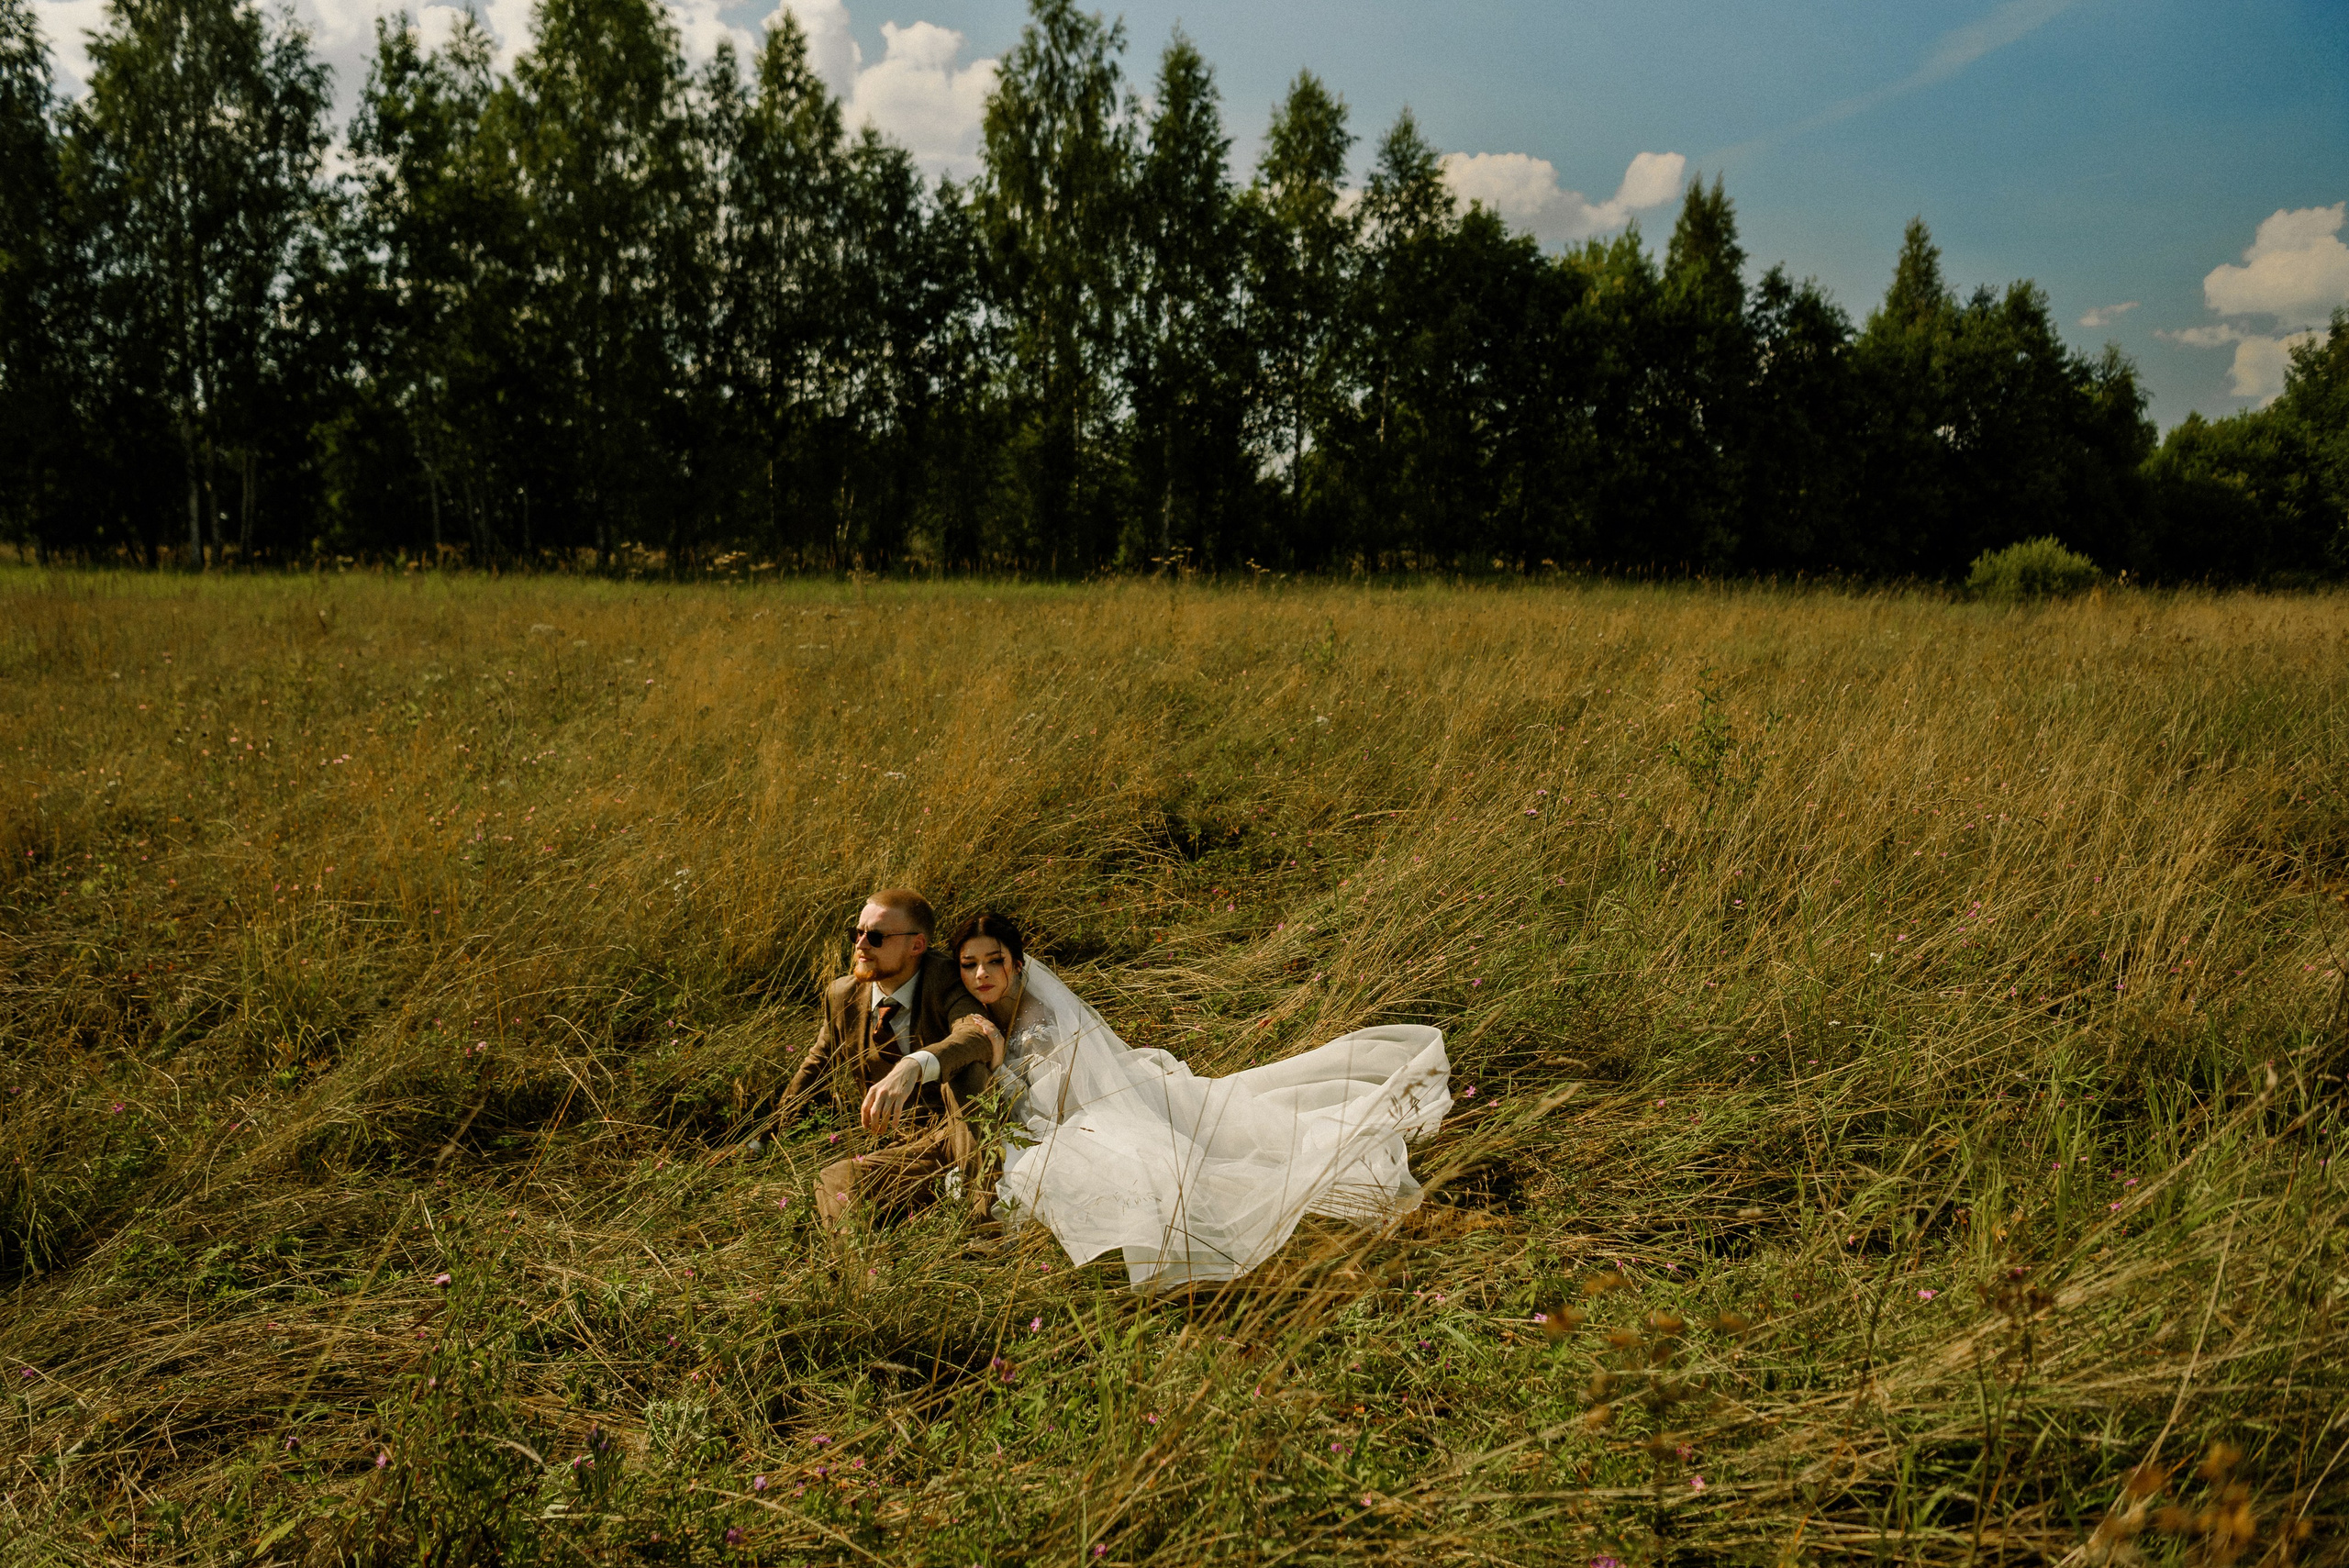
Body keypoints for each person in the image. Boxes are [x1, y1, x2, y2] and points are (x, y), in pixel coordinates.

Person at [945, 909, 1451, 1294]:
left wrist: (1005, 1076)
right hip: (1078, 1104)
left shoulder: (1037, 1018)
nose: (982, 974)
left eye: (995, 961)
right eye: (970, 965)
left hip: (1094, 1105)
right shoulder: (984, 1010)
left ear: (1018, 963)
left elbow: (1064, 1097)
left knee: (1171, 1167)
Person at [785, 889, 1002, 1230]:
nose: (860, 945)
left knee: (967, 1074)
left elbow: (975, 1034)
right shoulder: (843, 994)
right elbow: (818, 1061)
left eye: (876, 937)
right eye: (857, 933)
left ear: (917, 945)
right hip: (905, 1148)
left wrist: (913, 1064)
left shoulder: (947, 978)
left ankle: (986, 1232)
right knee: (834, 1179)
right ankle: (860, 1265)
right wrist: (763, 1136)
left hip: (962, 1132)